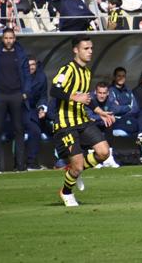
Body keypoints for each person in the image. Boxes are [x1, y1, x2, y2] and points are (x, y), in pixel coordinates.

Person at [51, 34, 114, 207]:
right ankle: (66, 191)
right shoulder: (68, 70)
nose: (90, 52)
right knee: (77, 166)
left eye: (91, 48)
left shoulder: (86, 72)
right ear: (75, 50)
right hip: (65, 125)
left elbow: (87, 98)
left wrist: (101, 112)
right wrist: (73, 97)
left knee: (103, 152)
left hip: (83, 120)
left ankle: (74, 172)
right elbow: (54, 91)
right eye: (86, 48)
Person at [0, 28, 31, 173]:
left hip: (17, 95)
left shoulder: (21, 54)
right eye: (6, 38)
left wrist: (25, 93)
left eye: (11, 38)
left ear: (14, 39)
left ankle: (20, 166)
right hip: (0, 96)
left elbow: (27, 75)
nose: (8, 40)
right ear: (2, 39)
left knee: (19, 130)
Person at [109, 67, 142, 164]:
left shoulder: (128, 91)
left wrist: (123, 107)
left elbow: (136, 108)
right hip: (119, 120)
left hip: (130, 119)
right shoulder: (110, 91)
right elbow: (114, 109)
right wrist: (128, 107)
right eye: (119, 76)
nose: (121, 78)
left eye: (123, 76)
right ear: (114, 77)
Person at [84, 82, 121, 168]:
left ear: (107, 93)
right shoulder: (89, 100)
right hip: (87, 125)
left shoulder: (111, 99)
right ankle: (93, 157)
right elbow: (89, 117)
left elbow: (114, 111)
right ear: (95, 92)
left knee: (109, 123)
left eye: (104, 93)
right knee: (91, 124)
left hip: (102, 124)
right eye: (100, 93)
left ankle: (109, 158)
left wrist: (111, 117)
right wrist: (102, 118)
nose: (102, 95)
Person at [25, 55, 49, 170]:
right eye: (28, 65)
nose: (31, 67)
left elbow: (43, 96)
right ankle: (31, 163)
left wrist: (42, 108)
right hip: (20, 112)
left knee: (54, 127)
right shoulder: (19, 77)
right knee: (35, 131)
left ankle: (63, 159)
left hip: (34, 111)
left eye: (33, 65)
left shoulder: (41, 77)